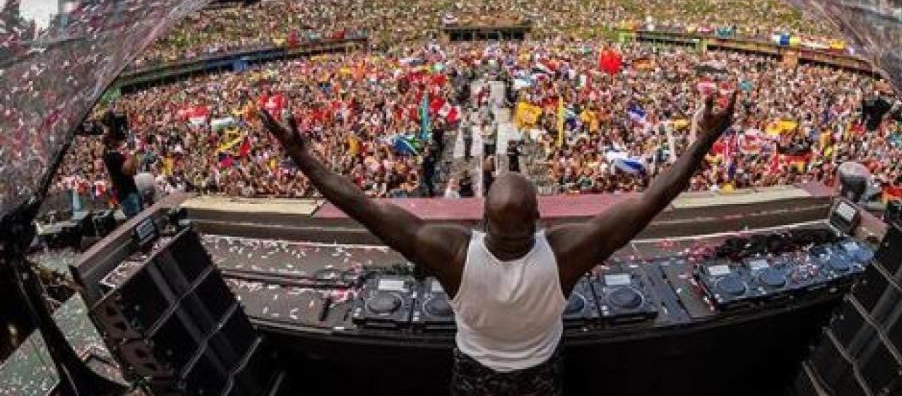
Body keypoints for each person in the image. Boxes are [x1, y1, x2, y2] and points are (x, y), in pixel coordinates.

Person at [261, 90, 736, 395]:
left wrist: (301, 155)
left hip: (473, 374)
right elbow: (655, 198)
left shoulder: (449, 253)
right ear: (539, 217)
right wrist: (702, 141)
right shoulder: (568, 253)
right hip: (542, 373)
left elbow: (360, 205)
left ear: (482, 216)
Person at [102, 132, 142, 218]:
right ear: (111, 142)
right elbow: (127, 170)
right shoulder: (114, 156)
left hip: (122, 194)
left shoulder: (106, 155)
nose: (118, 140)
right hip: (128, 193)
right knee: (138, 219)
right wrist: (132, 154)